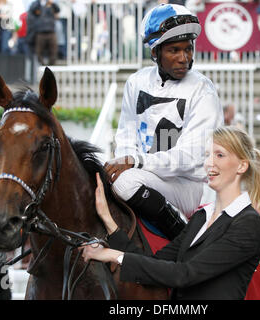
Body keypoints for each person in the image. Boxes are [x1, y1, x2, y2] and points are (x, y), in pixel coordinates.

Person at [82, 126, 260, 300]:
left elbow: (185, 274)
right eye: (207, 155)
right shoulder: (201, 217)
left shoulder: (248, 224)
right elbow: (151, 263)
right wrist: (108, 220)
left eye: (219, 155)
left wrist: (110, 255)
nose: (209, 163)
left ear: (242, 166)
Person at [105, 4, 222, 240]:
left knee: (125, 182)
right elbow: (126, 135)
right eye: (174, 50)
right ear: (155, 52)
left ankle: (185, 241)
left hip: (189, 185)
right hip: (148, 176)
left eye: (188, 49)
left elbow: (190, 157)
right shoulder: (135, 82)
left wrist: (136, 161)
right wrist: (127, 159)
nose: (184, 58)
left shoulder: (203, 89)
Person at [29, 0, 60, 66]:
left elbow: (58, 10)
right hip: (40, 32)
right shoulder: (36, 4)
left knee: (53, 50)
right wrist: (39, 2)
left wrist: (52, 3)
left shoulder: (51, 4)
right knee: (39, 51)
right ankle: (42, 65)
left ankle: (51, 65)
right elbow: (32, 10)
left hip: (51, 31)